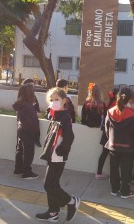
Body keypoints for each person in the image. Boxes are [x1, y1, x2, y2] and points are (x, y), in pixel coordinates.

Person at [36, 87, 80, 222]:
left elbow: (70, 136)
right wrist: (51, 109)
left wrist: (61, 150)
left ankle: (71, 201)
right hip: (52, 154)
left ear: (64, 100)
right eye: (51, 100)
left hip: (58, 155)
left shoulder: (65, 116)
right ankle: (53, 212)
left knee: (48, 185)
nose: (54, 102)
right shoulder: (56, 114)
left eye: (57, 99)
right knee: (53, 184)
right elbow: (49, 115)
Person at [105, 87, 134, 199]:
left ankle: (114, 189)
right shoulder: (132, 115)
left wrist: (111, 140)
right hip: (128, 148)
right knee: (126, 169)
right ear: (130, 100)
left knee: (113, 168)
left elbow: (106, 129)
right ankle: (125, 191)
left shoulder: (110, 112)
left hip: (113, 146)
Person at [13, 83, 39, 179]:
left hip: (21, 129)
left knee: (20, 150)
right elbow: (33, 122)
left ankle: (18, 169)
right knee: (29, 152)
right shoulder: (28, 106)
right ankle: (27, 172)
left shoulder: (20, 103)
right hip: (28, 131)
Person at [95, 87, 119, 180]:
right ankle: (113, 176)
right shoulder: (116, 105)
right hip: (113, 133)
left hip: (105, 132)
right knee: (114, 156)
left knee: (104, 154)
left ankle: (98, 173)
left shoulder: (108, 104)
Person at [22, 78, 41, 147]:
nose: (32, 87)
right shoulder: (22, 96)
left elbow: (37, 106)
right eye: (30, 85)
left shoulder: (33, 96)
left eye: (33, 86)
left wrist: (37, 112)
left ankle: (36, 140)